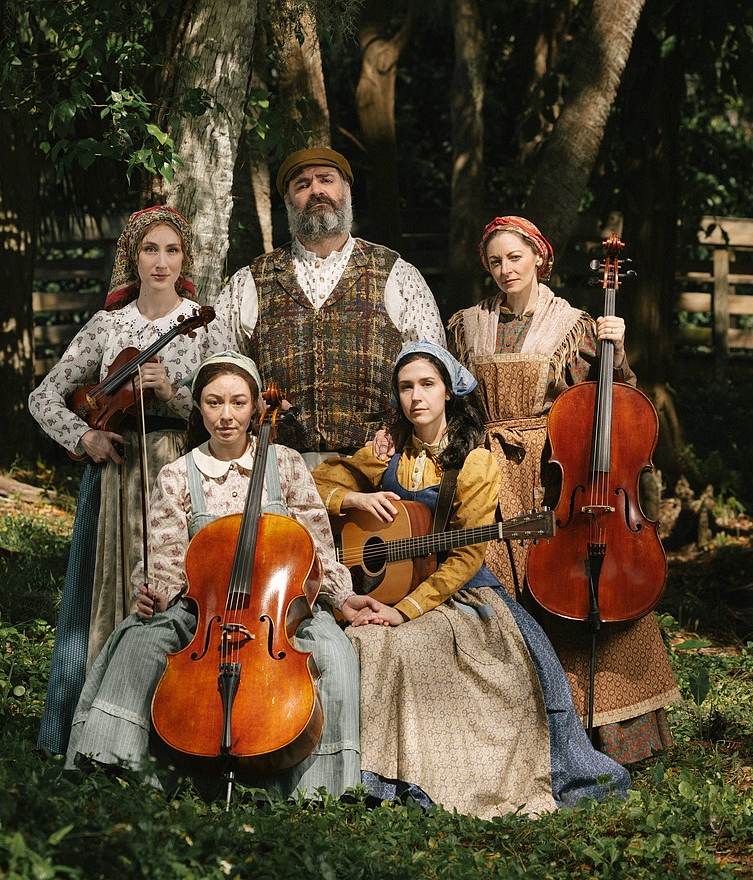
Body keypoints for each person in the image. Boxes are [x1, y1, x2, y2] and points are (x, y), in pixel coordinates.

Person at [312, 341, 629, 819]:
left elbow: (465, 556)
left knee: (408, 647)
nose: (416, 397)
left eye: (427, 385)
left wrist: (403, 611)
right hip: (390, 587)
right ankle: (370, 776)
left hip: (461, 595)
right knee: (365, 645)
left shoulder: (475, 462)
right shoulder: (386, 452)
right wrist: (353, 502)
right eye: (405, 387)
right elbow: (316, 482)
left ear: (448, 393)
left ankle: (439, 778)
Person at [63, 352, 361, 797]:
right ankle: (112, 768)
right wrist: (157, 592)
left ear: (257, 407)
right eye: (214, 402)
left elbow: (317, 545)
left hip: (279, 608)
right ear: (197, 407)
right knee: (141, 641)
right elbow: (164, 552)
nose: (226, 416)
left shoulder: (287, 464)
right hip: (202, 604)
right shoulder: (178, 475)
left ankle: (320, 790)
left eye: (238, 403)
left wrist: (340, 596)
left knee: (334, 653)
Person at [446, 215, 680, 766]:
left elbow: (611, 407)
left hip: (554, 475)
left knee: (574, 594)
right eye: (496, 260)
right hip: (484, 471)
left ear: (539, 259)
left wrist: (615, 355)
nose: (506, 269)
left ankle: (613, 737)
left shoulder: (574, 325)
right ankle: (508, 739)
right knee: (494, 603)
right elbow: (447, 394)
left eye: (516, 258)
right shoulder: (465, 324)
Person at [30, 206, 221, 756]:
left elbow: (227, 409)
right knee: (112, 588)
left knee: (174, 585)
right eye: (149, 250)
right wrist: (82, 437)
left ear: (184, 260)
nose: (161, 262)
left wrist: (175, 393)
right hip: (116, 472)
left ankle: (175, 728)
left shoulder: (200, 325)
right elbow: (42, 396)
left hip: (179, 466)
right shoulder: (108, 325)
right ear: (131, 258)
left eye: (172, 251)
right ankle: (98, 730)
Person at [208, 147, 446, 461]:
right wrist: (256, 399)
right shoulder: (248, 281)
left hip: (379, 465)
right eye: (302, 185)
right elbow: (219, 371)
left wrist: (400, 429)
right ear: (288, 201)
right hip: (279, 466)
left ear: (346, 190)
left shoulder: (397, 273)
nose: (316, 190)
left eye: (326, 180)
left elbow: (432, 369)